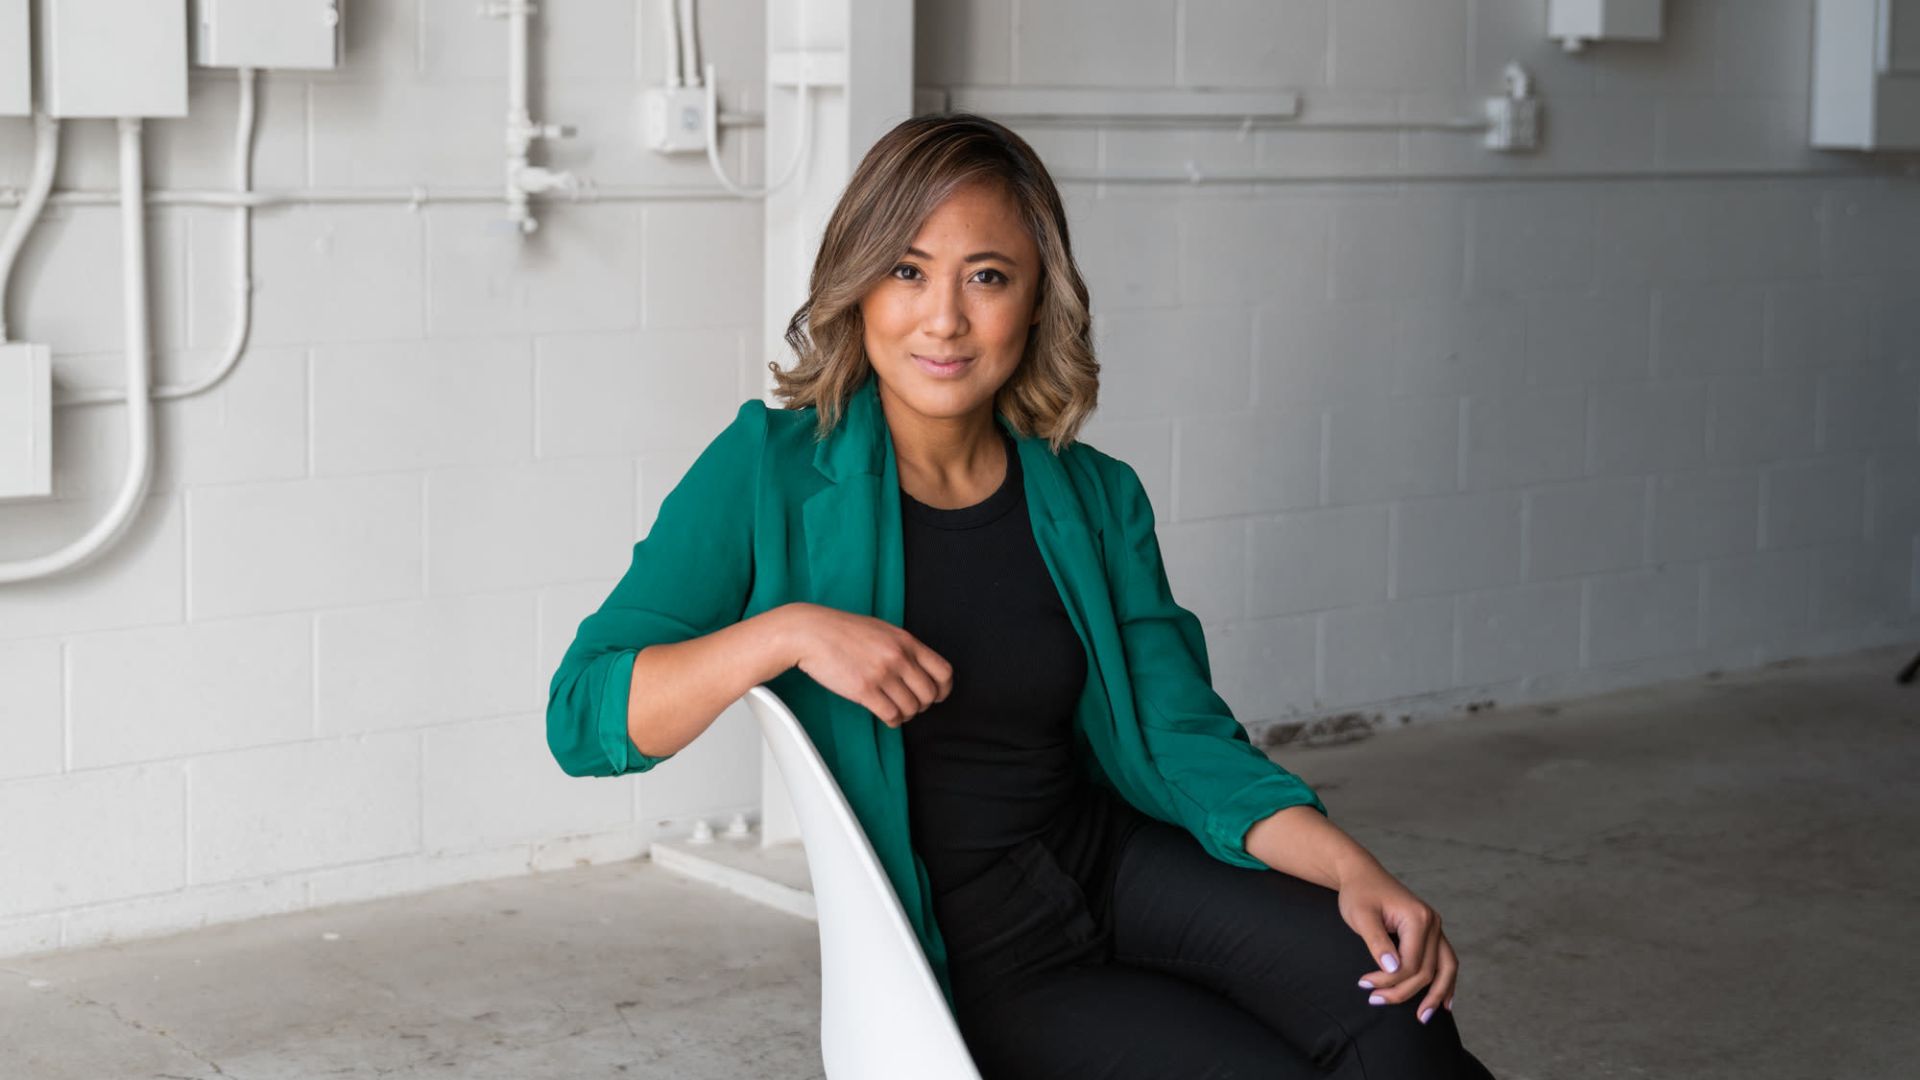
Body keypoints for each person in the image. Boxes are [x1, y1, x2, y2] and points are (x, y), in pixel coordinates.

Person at [548, 112, 1497, 1079]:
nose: (945, 319)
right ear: (857, 284)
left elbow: (1184, 741)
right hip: (984, 952)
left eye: (988, 277)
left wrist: (1349, 865)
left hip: (1119, 866)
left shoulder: (1093, 495)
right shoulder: (767, 472)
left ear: (1038, 301)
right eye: (908, 271)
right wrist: (787, 633)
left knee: (1399, 1018)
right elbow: (584, 717)